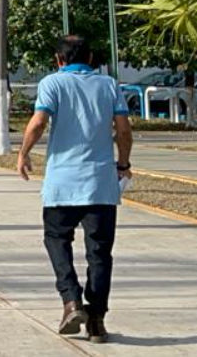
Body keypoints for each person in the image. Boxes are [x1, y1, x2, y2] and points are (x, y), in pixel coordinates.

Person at [16, 35, 132, 344]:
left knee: (56, 240)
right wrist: (123, 164)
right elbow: (123, 129)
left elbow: (39, 122)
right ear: (91, 57)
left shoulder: (52, 83)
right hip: (101, 185)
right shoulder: (109, 85)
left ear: (58, 59)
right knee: (100, 253)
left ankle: (70, 301)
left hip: (62, 184)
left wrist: (23, 153)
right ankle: (96, 320)